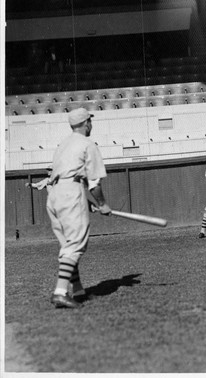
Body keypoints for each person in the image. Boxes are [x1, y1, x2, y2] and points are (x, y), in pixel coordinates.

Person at [46, 108, 111, 308]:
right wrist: (102, 204)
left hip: (54, 195)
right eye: (90, 121)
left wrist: (86, 202)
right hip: (70, 193)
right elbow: (94, 183)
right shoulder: (87, 144)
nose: (91, 124)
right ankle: (59, 292)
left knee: (68, 245)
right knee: (75, 245)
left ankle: (79, 290)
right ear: (85, 123)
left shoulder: (63, 144)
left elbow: (64, 175)